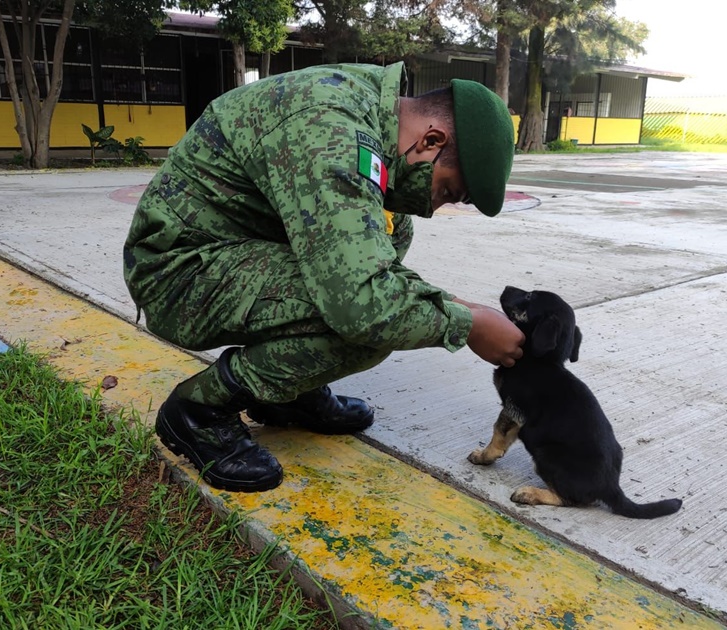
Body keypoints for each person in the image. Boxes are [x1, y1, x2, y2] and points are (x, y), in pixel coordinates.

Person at [123, 61, 524, 492]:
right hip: (178, 275)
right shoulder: (333, 130)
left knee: (393, 231)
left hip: (230, 252)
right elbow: (362, 300)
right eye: (445, 190)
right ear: (430, 140)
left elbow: (372, 266)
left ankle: (286, 394)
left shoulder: (370, 108)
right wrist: (468, 325)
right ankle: (197, 410)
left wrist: (461, 306)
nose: (433, 206)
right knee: (370, 324)